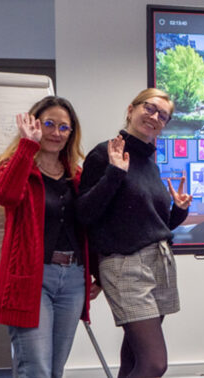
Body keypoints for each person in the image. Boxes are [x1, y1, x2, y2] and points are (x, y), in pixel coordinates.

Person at [77, 88, 192, 377]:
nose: (155, 117)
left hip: (159, 262)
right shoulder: (105, 154)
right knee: (154, 363)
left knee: (134, 359)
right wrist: (115, 173)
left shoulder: (150, 165)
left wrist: (177, 212)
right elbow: (85, 215)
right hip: (125, 265)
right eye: (150, 108)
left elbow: (149, 226)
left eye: (163, 116)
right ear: (131, 109)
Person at [0, 96, 100, 377]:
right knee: (35, 368)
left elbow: (89, 226)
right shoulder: (17, 166)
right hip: (32, 279)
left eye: (64, 128)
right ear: (34, 124)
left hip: (73, 279)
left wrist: (95, 274)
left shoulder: (76, 175)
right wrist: (27, 147)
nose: (56, 133)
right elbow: (5, 195)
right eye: (49, 124)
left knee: (54, 369)